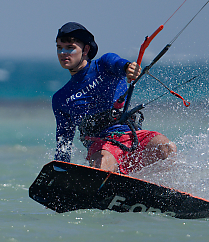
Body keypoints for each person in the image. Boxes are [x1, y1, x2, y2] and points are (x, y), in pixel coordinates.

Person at [52, 21, 175, 174]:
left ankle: (175, 186)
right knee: (103, 162)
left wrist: (129, 68)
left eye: (70, 47)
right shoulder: (61, 98)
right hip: (102, 146)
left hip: (133, 137)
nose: (63, 53)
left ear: (86, 50)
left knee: (166, 147)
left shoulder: (104, 65)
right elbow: (64, 143)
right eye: (59, 48)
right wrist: (59, 173)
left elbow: (119, 64)